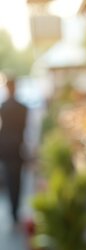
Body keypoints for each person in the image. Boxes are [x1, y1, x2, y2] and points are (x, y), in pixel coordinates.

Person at [0, 77, 28, 224]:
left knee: (10, 179)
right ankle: (15, 209)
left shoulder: (4, 106)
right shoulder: (22, 108)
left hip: (6, 148)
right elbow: (24, 129)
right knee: (16, 180)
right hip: (16, 148)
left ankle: (14, 210)